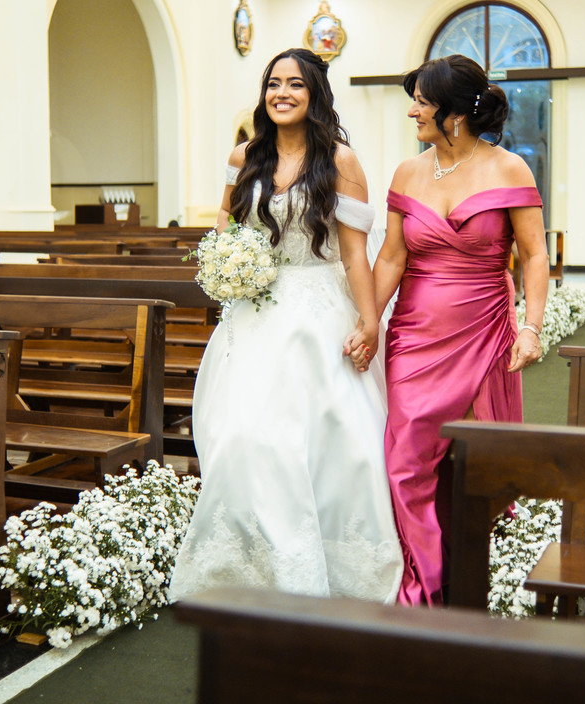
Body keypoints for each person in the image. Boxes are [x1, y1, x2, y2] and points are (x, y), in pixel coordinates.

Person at [169, 48, 403, 603]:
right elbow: (226, 227)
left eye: (295, 85)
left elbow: (353, 255)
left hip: (317, 313)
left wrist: (369, 323)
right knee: (245, 437)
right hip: (253, 313)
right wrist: (227, 265)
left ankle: (331, 565)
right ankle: (253, 562)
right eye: (273, 83)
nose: (282, 93)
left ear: (314, 94)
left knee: (330, 443)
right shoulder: (243, 155)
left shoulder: (340, 162)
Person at [347, 53, 549, 606]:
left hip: (485, 328)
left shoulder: (510, 169)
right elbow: (390, 258)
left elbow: (533, 256)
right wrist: (368, 322)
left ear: (453, 111)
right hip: (414, 333)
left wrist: (530, 327)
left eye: (422, 100)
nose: (413, 110)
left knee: (477, 460)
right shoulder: (407, 172)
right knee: (405, 461)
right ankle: (425, 587)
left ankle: (476, 574)